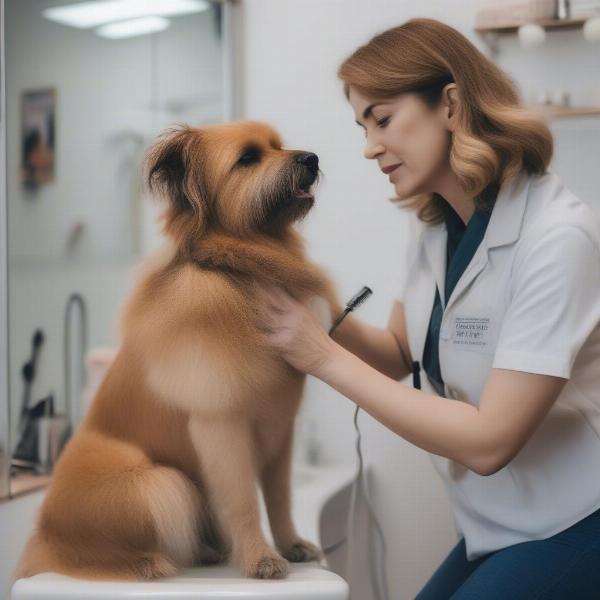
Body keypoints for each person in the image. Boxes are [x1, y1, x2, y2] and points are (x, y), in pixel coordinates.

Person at [258, 18, 600, 600]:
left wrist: (318, 355)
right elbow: (396, 354)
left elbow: (490, 441)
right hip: (495, 525)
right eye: (363, 127)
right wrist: (313, 308)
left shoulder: (559, 237)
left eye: (383, 119)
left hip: (577, 519)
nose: (369, 148)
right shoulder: (438, 226)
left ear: (449, 104)